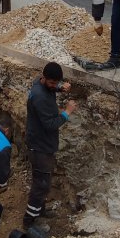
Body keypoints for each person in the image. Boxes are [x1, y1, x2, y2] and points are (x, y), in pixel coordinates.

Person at [23, 62, 76, 229]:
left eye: (56, 82)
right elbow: (51, 124)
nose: (54, 85)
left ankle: (39, 210)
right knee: (41, 184)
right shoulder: (40, 97)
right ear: (44, 78)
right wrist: (67, 112)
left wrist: (59, 89)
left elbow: (50, 88)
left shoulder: (39, 83)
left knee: (43, 181)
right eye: (52, 83)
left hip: (40, 142)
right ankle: (29, 220)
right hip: (40, 147)